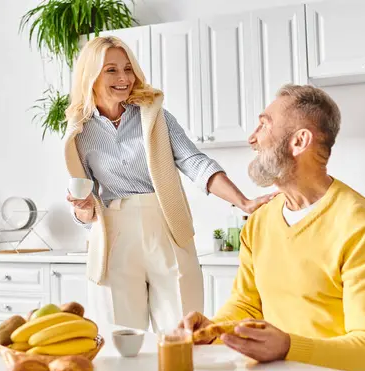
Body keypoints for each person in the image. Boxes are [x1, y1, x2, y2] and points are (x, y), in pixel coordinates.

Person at [180, 84, 365, 371]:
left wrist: (288, 347)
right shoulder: (260, 222)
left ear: (299, 141)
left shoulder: (361, 227)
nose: (252, 138)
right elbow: (246, 303)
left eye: (263, 125)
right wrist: (214, 329)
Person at [63, 36, 272, 333]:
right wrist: (82, 210)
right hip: (113, 234)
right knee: (121, 338)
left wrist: (244, 202)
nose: (123, 78)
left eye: (127, 68)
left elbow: (194, 162)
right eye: (111, 70)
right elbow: (84, 200)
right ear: (91, 75)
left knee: (183, 331)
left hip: (167, 225)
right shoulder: (78, 131)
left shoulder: (155, 116)